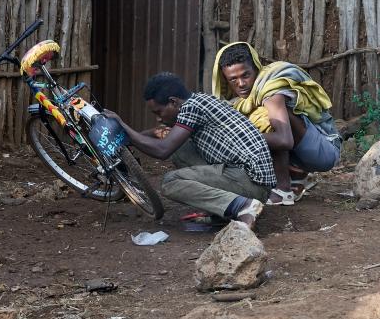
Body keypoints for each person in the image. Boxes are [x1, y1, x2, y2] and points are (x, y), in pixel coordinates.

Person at [103, 72, 275, 230]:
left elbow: (162, 151)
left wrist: (123, 128)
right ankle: (225, 209)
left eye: (159, 112)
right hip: (250, 179)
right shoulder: (199, 101)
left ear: (173, 102)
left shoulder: (192, 108)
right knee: (180, 149)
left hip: (251, 183)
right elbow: (160, 134)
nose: (158, 118)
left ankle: (242, 207)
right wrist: (128, 139)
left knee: (170, 182)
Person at [212, 42, 341, 206]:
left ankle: (283, 190)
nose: (241, 84)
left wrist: (239, 138)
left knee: (263, 118)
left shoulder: (271, 91)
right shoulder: (240, 100)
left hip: (324, 152)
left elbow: (283, 140)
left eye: (246, 75)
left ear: (257, 69)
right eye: (233, 79)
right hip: (304, 151)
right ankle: (296, 174)